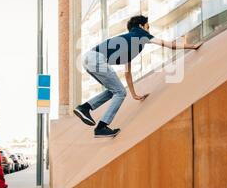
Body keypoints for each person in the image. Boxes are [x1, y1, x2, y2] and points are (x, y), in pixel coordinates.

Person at [74, 15, 203, 138]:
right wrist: (192, 46)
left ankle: (84, 108)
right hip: (97, 59)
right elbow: (169, 45)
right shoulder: (140, 33)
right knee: (119, 92)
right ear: (141, 26)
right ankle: (101, 127)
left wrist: (134, 94)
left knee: (114, 91)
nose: (149, 30)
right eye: (148, 27)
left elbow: (127, 73)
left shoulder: (130, 41)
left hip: (89, 59)